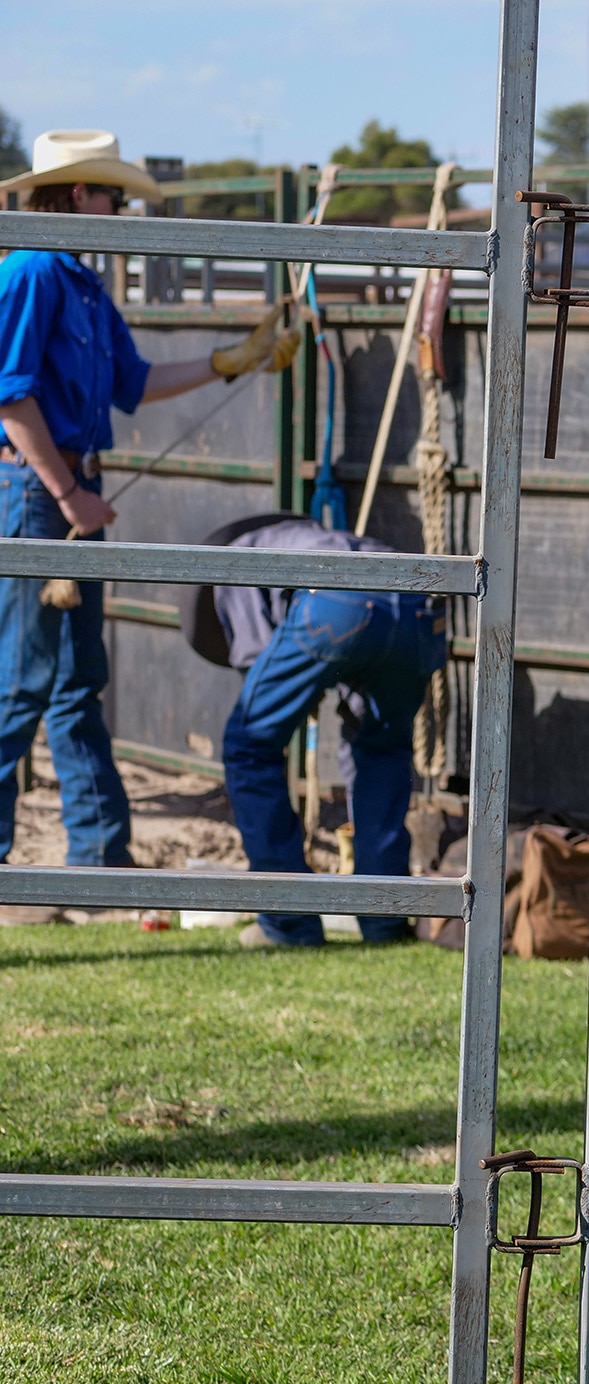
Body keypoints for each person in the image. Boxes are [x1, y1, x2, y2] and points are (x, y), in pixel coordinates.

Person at [0, 130, 297, 868]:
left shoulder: (83, 285)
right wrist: (68, 493)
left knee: (74, 679)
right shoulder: (33, 268)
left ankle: (99, 860)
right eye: (114, 195)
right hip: (39, 488)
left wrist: (234, 361)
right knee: (25, 677)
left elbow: (134, 383)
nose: (123, 208)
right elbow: (9, 396)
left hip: (66, 489)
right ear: (79, 196)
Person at [180, 515, 449, 948]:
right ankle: (384, 923)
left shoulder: (229, 573)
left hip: (338, 604)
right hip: (419, 604)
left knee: (249, 746)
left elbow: (259, 667)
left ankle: (289, 923)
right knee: (382, 751)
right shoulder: (308, 536)